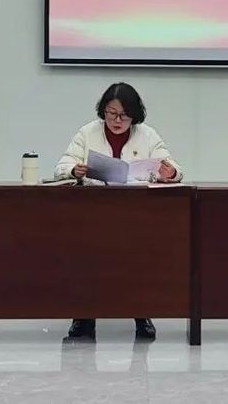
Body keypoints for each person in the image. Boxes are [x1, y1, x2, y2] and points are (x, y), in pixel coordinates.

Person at [54, 82, 183, 341]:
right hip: (93, 211)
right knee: (84, 256)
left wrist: (171, 172)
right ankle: (83, 317)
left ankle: (141, 314)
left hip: (135, 212)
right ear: (103, 111)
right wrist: (74, 170)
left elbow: (174, 168)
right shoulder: (87, 132)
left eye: (124, 115)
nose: (117, 120)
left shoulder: (147, 135)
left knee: (138, 257)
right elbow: (62, 166)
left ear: (134, 115)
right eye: (111, 113)